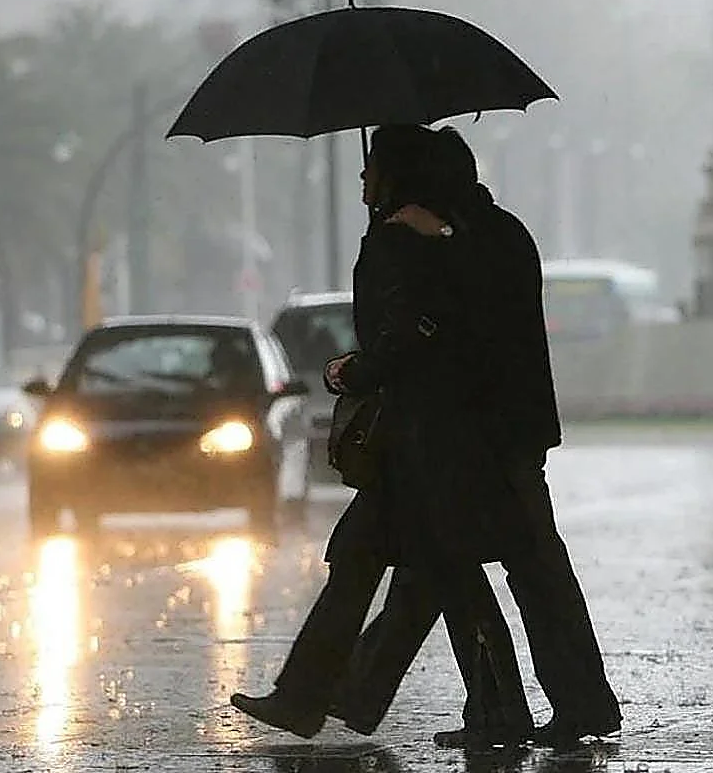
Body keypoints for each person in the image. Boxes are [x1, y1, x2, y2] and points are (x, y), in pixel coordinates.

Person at [229, 125, 533, 744]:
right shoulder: (417, 234)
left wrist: (355, 370)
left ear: (396, 176)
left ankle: (323, 697)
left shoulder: (407, 239)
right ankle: (324, 695)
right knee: (408, 570)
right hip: (421, 439)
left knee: (431, 573)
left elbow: (417, 330)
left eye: (373, 169)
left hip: (423, 442)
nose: (363, 178)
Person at [333, 126, 622, 750]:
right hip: (510, 432)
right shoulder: (501, 232)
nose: (363, 179)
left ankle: (508, 710)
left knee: (472, 568)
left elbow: (447, 325)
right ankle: (569, 704)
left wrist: (431, 241)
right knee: (525, 570)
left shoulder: (453, 241)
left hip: (469, 438)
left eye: (374, 168)